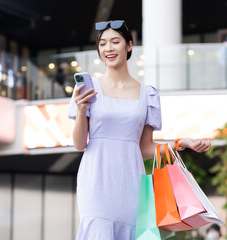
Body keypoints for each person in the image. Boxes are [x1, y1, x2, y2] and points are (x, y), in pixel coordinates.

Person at [68, 20, 211, 240]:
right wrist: (80, 110)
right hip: (96, 181)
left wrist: (181, 143)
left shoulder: (148, 94)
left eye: (115, 42)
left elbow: (145, 148)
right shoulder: (87, 90)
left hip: (131, 182)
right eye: (103, 43)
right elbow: (79, 144)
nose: (109, 48)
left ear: (129, 46)